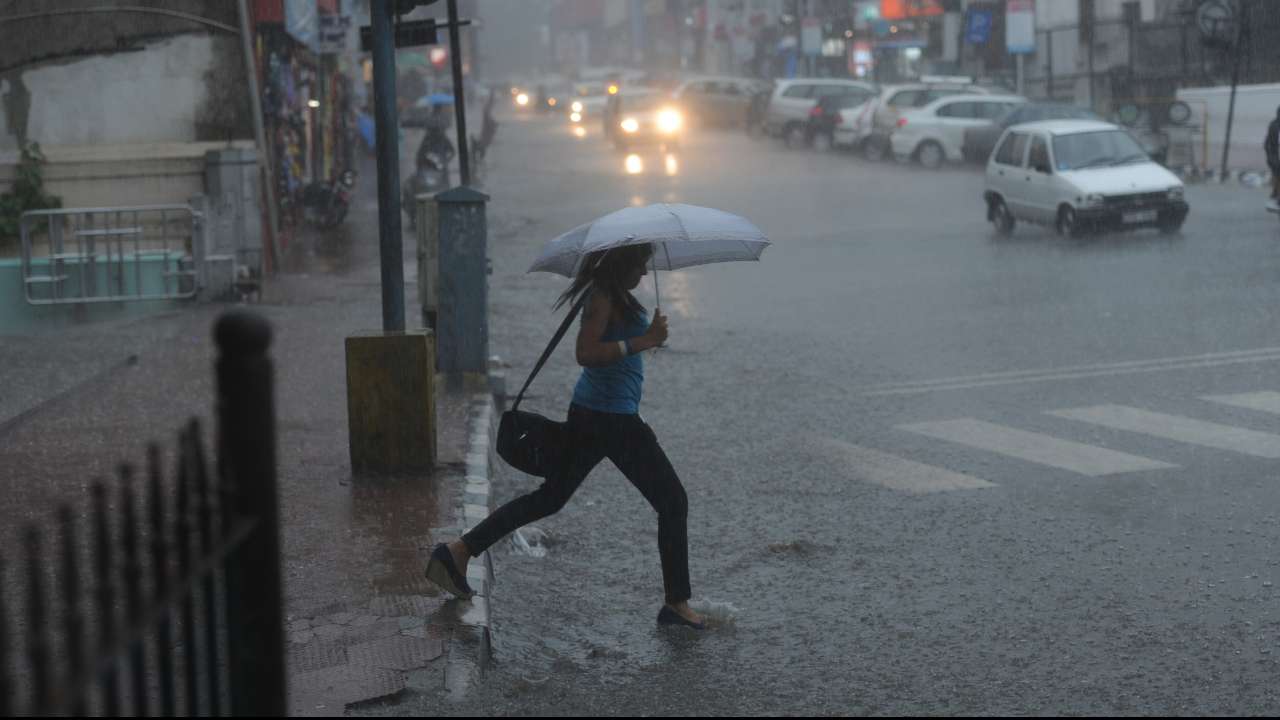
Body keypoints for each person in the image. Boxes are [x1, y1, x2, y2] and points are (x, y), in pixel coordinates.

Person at [425, 244, 707, 629]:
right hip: (609, 421)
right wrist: (643, 340)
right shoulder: (603, 296)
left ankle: (458, 552)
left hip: (607, 415)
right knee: (673, 501)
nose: (644, 272)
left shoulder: (617, 296)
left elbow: (615, 360)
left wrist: (646, 342)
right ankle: (677, 604)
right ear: (623, 263)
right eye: (640, 264)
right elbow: (586, 352)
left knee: (551, 498)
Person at [1266, 105, 1280, 212]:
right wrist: (1272, 159)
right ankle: (1275, 199)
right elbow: (1268, 144)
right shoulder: (1274, 126)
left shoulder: (1273, 124)